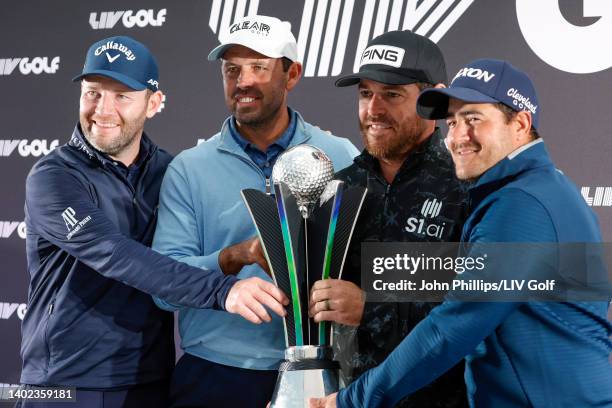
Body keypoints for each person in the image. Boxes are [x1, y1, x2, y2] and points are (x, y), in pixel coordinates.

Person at [311, 59, 612, 408]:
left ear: (520, 124)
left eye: (473, 119)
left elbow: (451, 329)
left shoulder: (522, 205)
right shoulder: (526, 191)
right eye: (452, 122)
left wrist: (347, 402)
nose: (457, 136)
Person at [19, 35, 287, 408]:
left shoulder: (170, 171)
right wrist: (223, 291)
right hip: (64, 382)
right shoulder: (53, 176)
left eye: (122, 96)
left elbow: (187, 256)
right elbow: (113, 253)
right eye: (93, 92)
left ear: (154, 103)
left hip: (150, 381)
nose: (103, 110)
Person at [151, 15, 358, 408]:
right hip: (216, 375)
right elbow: (164, 289)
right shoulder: (189, 168)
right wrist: (233, 258)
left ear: (291, 74)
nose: (242, 81)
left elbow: (363, 260)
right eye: (232, 70)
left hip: (321, 374)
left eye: (259, 68)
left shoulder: (341, 155)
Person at [308, 30, 469, 407]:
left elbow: (477, 306)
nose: (373, 109)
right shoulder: (338, 188)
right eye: (365, 93)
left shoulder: (467, 187)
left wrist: (370, 306)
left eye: (392, 95)